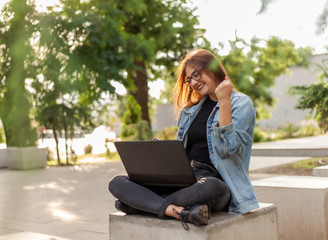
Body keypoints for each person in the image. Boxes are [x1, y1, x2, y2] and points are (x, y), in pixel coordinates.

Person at [108, 49, 259, 230]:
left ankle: (139, 205)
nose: (194, 83)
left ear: (213, 68)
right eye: (190, 79)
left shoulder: (241, 104)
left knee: (211, 187)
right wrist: (163, 154)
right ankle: (175, 211)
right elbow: (183, 151)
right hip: (184, 180)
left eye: (197, 74)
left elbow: (228, 150)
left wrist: (224, 100)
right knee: (117, 182)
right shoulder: (190, 111)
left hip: (213, 183)